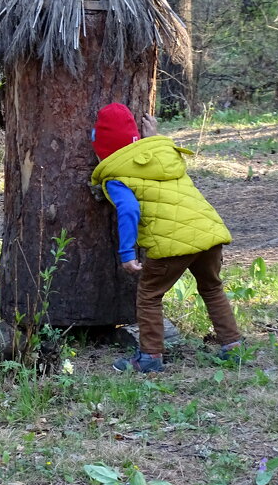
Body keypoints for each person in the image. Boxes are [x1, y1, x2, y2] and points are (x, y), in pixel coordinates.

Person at [91, 103, 242, 373]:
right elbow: (146, 159)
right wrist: (152, 139)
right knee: (212, 288)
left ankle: (150, 357)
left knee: (149, 296)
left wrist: (127, 253)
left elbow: (128, 209)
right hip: (208, 234)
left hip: (171, 245)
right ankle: (233, 347)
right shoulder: (164, 156)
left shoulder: (116, 176)